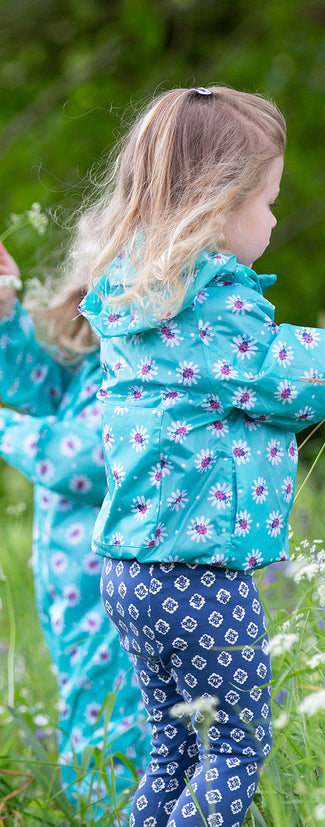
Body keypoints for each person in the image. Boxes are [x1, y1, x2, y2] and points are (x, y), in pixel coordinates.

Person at [77, 86, 325, 827]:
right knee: (235, 745)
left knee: (172, 750)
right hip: (199, 574)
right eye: (266, 199)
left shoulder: (136, 291)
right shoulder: (212, 299)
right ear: (217, 203)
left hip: (129, 570)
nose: (271, 216)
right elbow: (281, 372)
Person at [0, 241, 148, 814]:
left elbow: (84, 460)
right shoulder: (93, 360)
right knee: (89, 704)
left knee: (106, 719)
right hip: (69, 593)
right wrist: (6, 305)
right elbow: (31, 387)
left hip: (111, 590)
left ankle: (110, 814)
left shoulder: (139, 366)